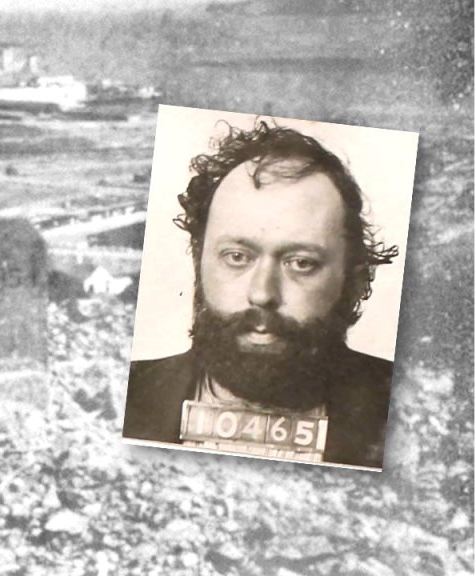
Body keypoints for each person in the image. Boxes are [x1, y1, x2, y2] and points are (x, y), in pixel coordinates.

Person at [123, 121, 399, 468]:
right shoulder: (123, 397)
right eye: (237, 257)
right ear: (198, 261)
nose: (262, 293)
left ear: (355, 282)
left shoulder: (410, 411)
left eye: (301, 263)